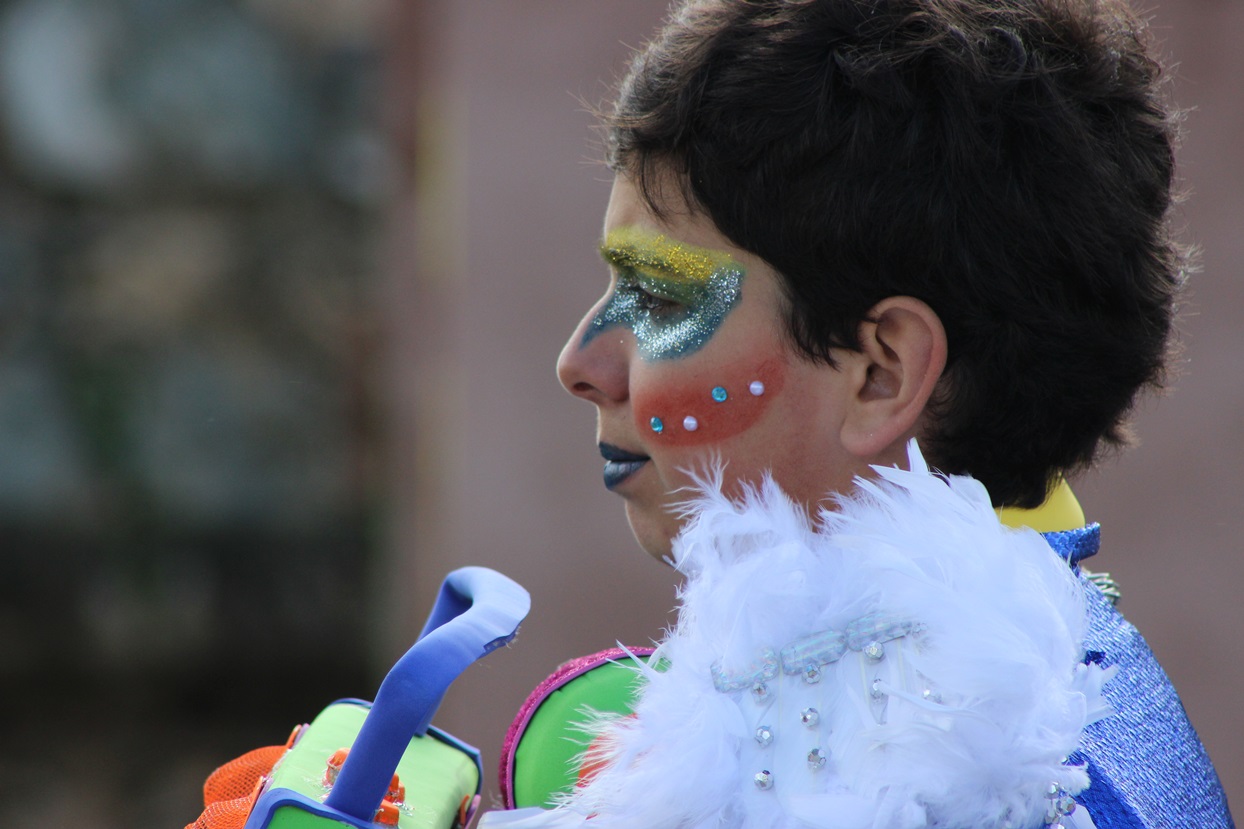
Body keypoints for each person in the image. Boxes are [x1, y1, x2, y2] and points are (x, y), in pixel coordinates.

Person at [484, 0, 1234, 827]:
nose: (579, 363)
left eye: (660, 295)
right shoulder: (924, 679)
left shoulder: (1020, 789)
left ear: (882, 371)